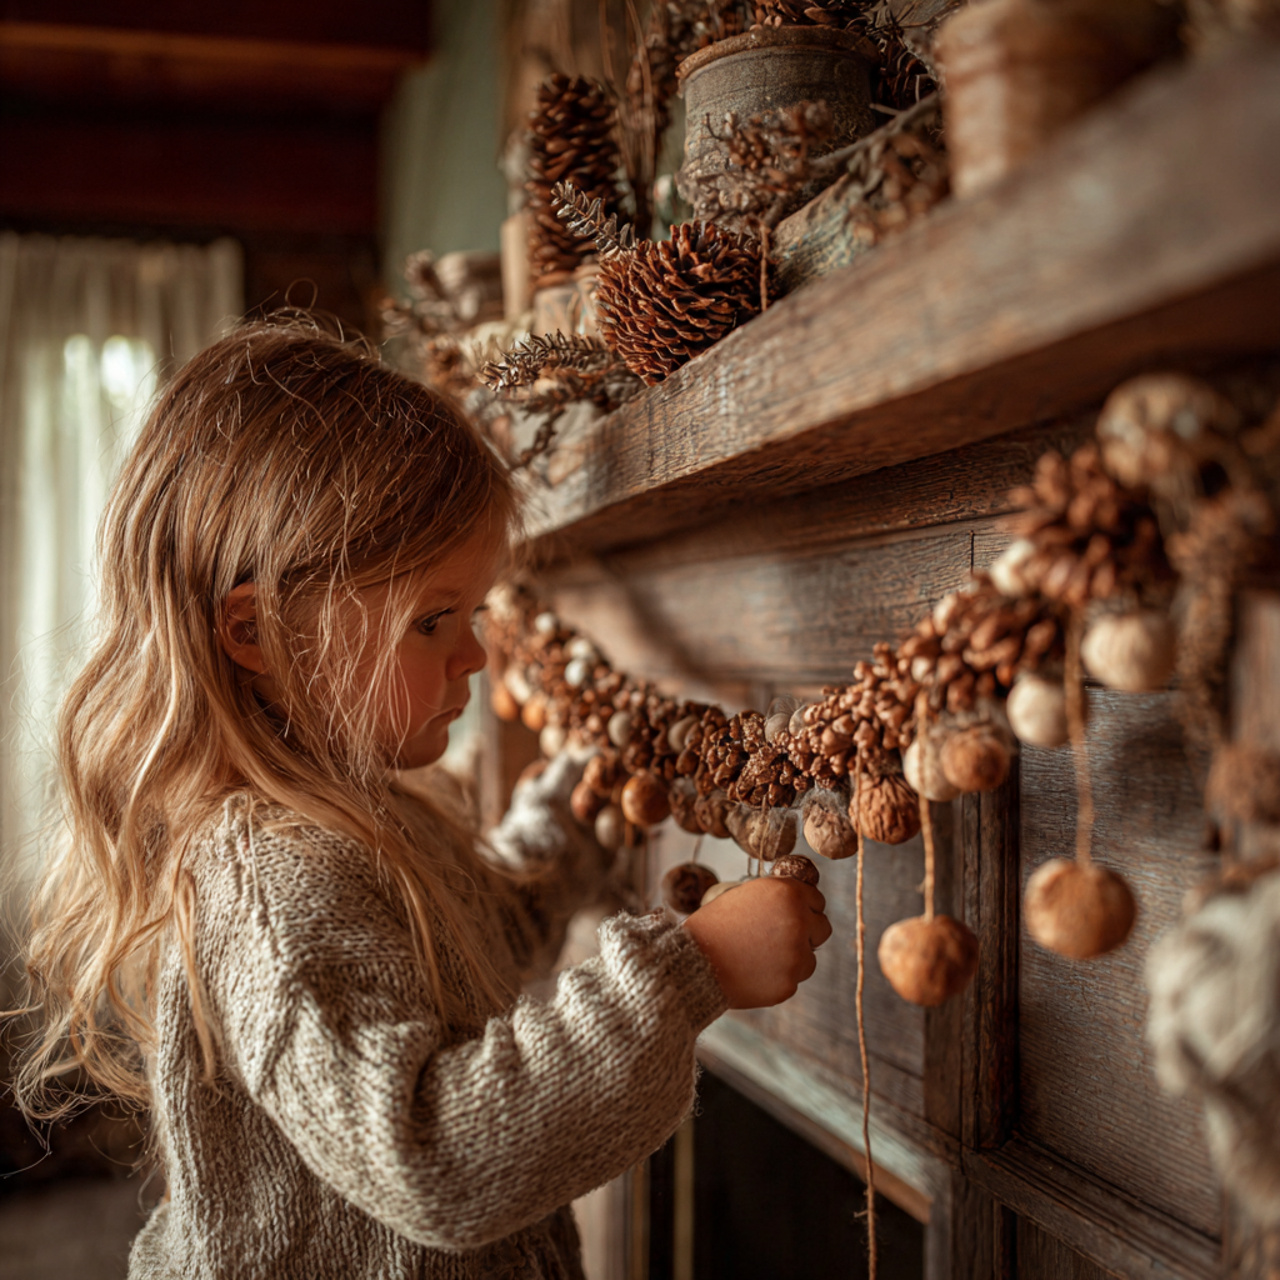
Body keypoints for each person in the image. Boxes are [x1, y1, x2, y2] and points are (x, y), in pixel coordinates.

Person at [12, 316, 832, 1279]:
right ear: (258, 631)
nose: (475, 655)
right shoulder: (267, 876)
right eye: (434, 619)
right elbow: (434, 1159)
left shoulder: (360, 807)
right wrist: (691, 972)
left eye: (475, 613)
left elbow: (468, 943)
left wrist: (561, 826)